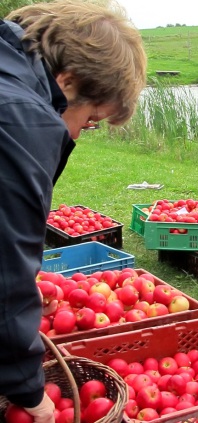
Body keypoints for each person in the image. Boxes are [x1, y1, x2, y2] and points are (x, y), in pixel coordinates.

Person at [0, 1, 146, 421]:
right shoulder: (23, 121)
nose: (81, 133)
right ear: (67, 81)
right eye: (91, 118)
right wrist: (27, 388)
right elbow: (4, 263)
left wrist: (27, 287)